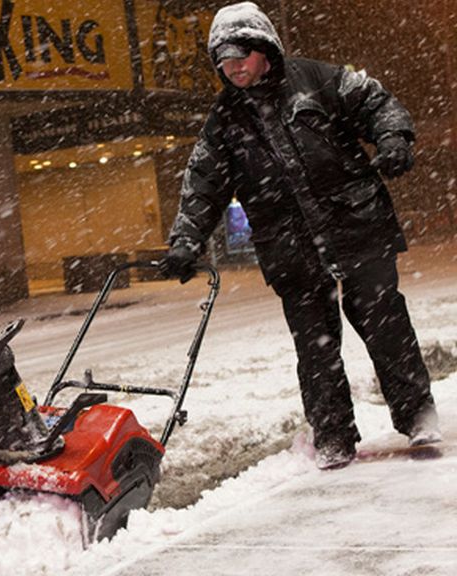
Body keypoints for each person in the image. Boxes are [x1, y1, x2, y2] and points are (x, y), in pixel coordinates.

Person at [158, 2, 441, 470]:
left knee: (384, 322)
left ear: (264, 49)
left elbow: (376, 103)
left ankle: (418, 417)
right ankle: (333, 437)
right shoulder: (224, 121)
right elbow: (202, 184)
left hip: (356, 226)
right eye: (223, 61)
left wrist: (393, 138)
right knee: (315, 346)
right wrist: (186, 240)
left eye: (240, 56)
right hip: (290, 248)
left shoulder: (318, 80)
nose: (233, 68)